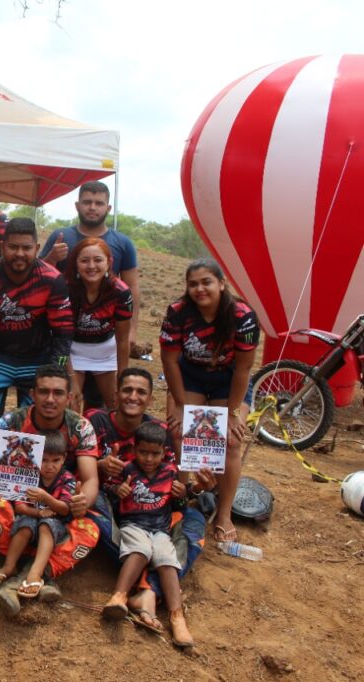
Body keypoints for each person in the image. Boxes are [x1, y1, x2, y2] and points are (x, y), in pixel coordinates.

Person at [86, 367, 215, 633]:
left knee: (194, 520)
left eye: (141, 391)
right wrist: (98, 466)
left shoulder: (161, 431)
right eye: (127, 390)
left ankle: (147, 592)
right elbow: (69, 470)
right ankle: (149, 591)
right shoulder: (95, 421)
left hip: (155, 518)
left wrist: (196, 488)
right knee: (91, 503)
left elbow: (173, 494)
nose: (133, 396)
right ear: (115, 394)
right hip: (114, 515)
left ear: (150, 399)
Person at [0, 364, 100, 614]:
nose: (50, 399)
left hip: (58, 510)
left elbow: (90, 477)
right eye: (43, 392)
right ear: (32, 393)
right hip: (18, 505)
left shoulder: (81, 427)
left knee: (91, 528)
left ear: (69, 397)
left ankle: (29, 573)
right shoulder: (12, 420)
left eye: (58, 393)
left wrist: (84, 500)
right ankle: (38, 575)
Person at [160, 258, 259, 544]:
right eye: (193, 284)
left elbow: (243, 369)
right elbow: (169, 361)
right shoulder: (178, 312)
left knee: (230, 441)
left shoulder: (242, 315)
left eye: (206, 282)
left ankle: (224, 512)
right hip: (189, 374)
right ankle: (179, 499)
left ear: (222, 284)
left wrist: (232, 414)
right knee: (179, 433)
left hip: (229, 380)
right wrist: (179, 405)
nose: (199, 289)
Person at [0, 217, 73, 412]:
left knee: (37, 423)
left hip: (37, 361)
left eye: (26, 248)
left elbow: (63, 334)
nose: (20, 254)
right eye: (13, 247)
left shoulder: (53, 280)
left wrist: (55, 373)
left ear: (36, 248)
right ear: (2, 247)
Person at [101, 422, 194, 649]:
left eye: (155, 454)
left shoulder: (170, 472)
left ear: (164, 452)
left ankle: (176, 615)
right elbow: (108, 490)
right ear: (134, 449)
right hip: (133, 524)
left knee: (166, 560)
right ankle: (119, 596)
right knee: (140, 549)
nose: (149, 459)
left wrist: (183, 493)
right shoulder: (127, 469)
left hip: (161, 529)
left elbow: (180, 503)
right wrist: (118, 491)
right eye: (143, 452)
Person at [39, 181, 142, 353]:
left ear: (108, 208)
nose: (92, 208)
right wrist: (51, 258)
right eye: (87, 202)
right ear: (77, 206)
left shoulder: (123, 243)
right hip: (59, 330)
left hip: (104, 335)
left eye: (99, 203)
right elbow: (38, 277)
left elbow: (132, 287)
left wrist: (132, 330)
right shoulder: (60, 237)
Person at [0, 431, 75, 599]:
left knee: (46, 524)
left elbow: (65, 509)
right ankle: (8, 566)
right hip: (30, 520)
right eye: (44, 460)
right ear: (34, 458)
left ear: (64, 458)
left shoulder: (67, 478)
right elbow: (20, 507)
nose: (50, 466)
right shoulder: (28, 474)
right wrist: (39, 512)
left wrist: (46, 498)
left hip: (54, 526)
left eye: (56, 460)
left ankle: (35, 573)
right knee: (25, 523)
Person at [64, 237, 132, 411]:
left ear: (109, 263)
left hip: (106, 352)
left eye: (98, 260)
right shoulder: (65, 290)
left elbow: (123, 340)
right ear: (76, 264)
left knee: (117, 405)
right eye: (84, 260)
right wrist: (71, 378)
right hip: (72, 351)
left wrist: (122, 379)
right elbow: (60, 339)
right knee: (70, 404)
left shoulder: (121, 292)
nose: (91, 266)